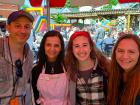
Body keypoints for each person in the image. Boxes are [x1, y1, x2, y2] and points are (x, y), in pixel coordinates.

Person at [65, 31, 110, 105]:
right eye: (77, 46)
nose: (81, 50)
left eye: (85, 45)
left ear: (91, 47)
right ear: (72, 50)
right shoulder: (70, 72)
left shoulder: (105, 67)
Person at [0, 10, 34, 105]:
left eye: (27, 27)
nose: (23, 31)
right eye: (17, 26)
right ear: (8, 28)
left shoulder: (30, 55)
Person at [32, 30, 70, 105]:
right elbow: (35, 96)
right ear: (43, 47)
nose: (52, 49)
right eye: (48, 45)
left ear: (61, 48)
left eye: (56, 45)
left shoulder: (68, 67)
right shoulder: (36, 70)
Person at [107, 33, 140, 105]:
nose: (125, 56)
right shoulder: (114, 75)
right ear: (115, 52)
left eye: (131, 52)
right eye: (121, 51)